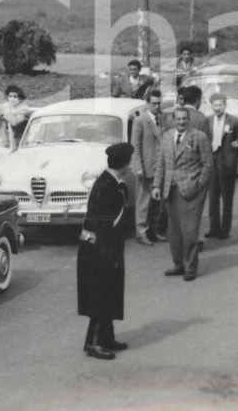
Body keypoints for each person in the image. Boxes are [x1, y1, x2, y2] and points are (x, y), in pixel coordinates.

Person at [77, 142, 133, 360]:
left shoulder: (109, 182)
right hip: (100, 251)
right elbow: (104, 227)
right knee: (100, 297)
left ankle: (107, 338)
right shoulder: (107, 187)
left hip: (105, 249)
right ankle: (93, 343)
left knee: (108, 294)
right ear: (124, 163)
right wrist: (110, 255)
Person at [152, 106, 212, 281]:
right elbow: (161, 164)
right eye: (178, 119)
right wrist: (157, 186)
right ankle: (178, 264)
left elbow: (208, 164)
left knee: (190, 231)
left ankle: (190, 268)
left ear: (189, 119)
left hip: (190, 190)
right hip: (170, 190)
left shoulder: (199, 137)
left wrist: (198, 184)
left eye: (184, 118)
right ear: (173, 120)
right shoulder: (167, 136)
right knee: (174, 231)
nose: (181, 122)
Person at [129, 89, 163, 245]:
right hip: (145, 167)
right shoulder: (140, 121)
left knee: (156, 202)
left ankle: (154, 231)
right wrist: (138, 167)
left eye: (158, 103)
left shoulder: (161, 120)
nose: (157, 106)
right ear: (147, 103)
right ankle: (141, 233)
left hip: (159, 168)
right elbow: (135, 146)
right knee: (143, 202)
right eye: (154, 103)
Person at [205, 92, 238, 240]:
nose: (218, 108)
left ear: (225, 105)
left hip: (226, 161)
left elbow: (237, 141)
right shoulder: (207, 121)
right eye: (215, 105)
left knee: (227, 197)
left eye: (220, 105)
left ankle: (225, 229)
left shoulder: (234, 121)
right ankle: (214, 227)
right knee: (212, 196)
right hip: (212, 160)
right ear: (211, 106)